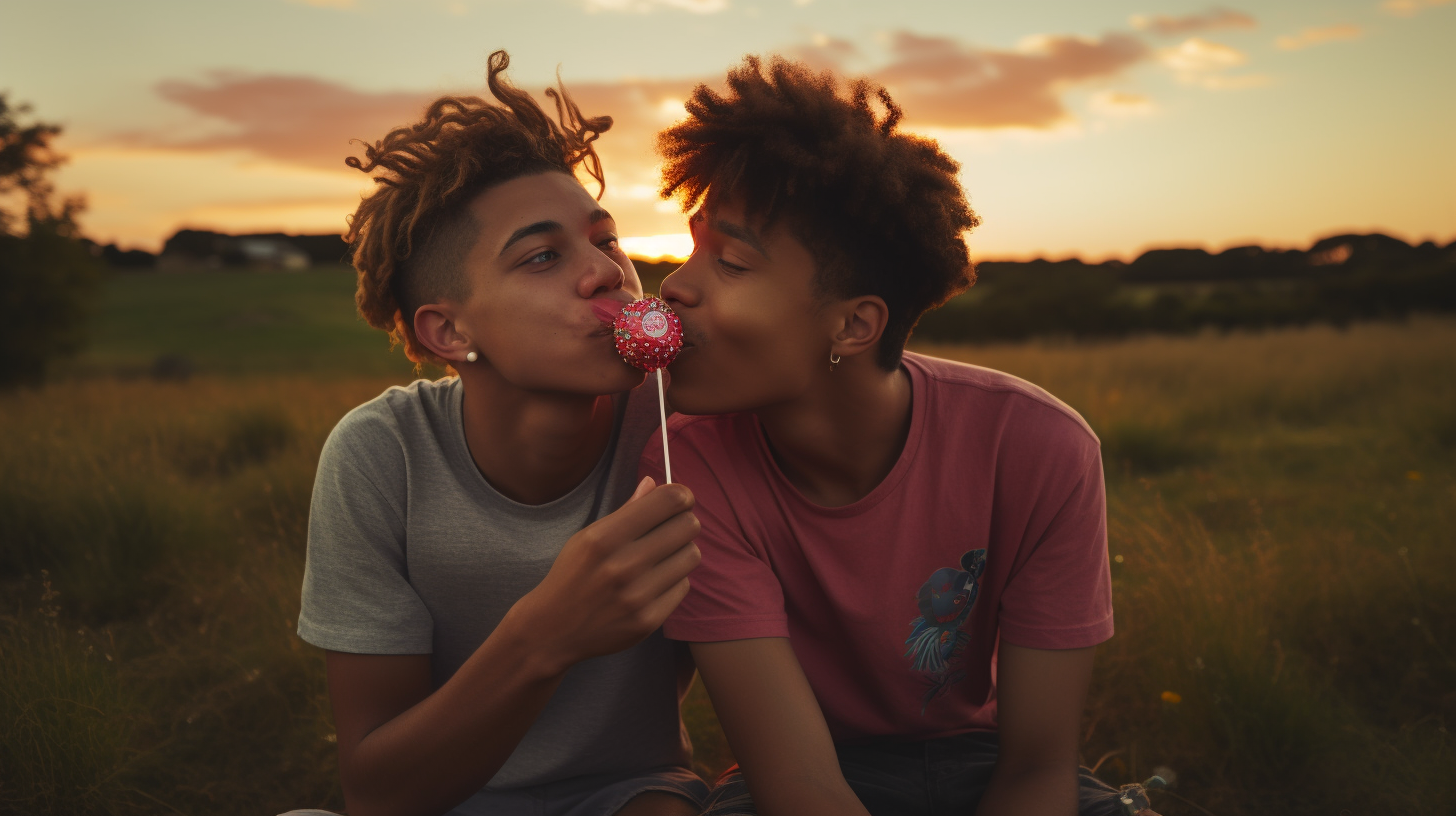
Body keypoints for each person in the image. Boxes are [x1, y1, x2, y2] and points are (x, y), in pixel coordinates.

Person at [639, 57, 1156, 816]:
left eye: (733, 263)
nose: (676, 287)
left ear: (854, 324)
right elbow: (800, 783)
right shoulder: (689, 466)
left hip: (985, 767)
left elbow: (1038, 767)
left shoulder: (1041, 449)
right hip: (808, 779)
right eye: (692, 250)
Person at [287, 51, 708, 816]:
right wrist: (545, 636)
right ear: (449, 331)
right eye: (543, 257)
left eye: (606, 240)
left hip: (632, 796)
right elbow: (377, 791)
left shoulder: (689, 423)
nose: (606, 272)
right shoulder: (381, 456)